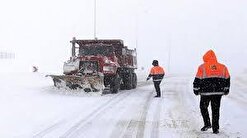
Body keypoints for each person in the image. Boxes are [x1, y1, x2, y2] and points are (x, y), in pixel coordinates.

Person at [193, 50, 230, 134]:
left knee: (203, 107)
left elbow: (197, 79)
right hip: (218, 93)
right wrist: (226, 89)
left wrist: (196, 90)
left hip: (205, 93)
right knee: (216, 110)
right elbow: (227, 78)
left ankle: (207, 123)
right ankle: (215, 129)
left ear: (205, 57)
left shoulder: (202, 67)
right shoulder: (223, 67)